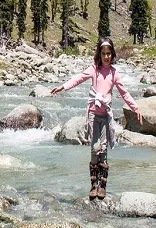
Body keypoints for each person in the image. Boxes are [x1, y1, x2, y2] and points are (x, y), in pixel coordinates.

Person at [51, 37, 142, 201]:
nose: (106, 57)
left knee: (104, 149)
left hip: (106, 116)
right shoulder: (94, 69)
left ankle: (103, 186)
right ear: (99, 55)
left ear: (112, 54)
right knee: (94, 149)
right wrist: (63, 87)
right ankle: (93, 184)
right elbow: (78, 78)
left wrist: (135, 107)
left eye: (109, 54)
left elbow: (124, 92)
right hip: (93, 114)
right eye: (103, 54)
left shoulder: (114, 73)